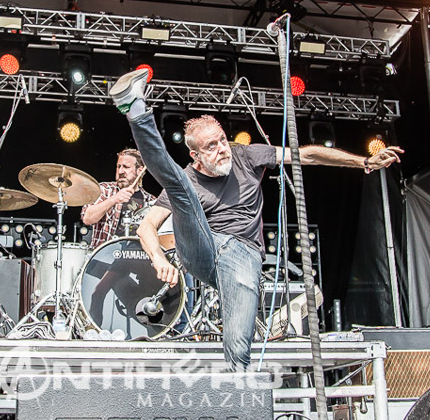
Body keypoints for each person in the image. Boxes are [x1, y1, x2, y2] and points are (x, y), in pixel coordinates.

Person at [109, 68, 402, 370]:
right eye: (211, 147)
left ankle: (239, 392)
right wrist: (159, 259)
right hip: (203, 250)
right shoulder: (189, 177)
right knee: (179, 187)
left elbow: (307, 155)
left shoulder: (246, 156)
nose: (222, 149)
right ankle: (136, 109)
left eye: (222, 140)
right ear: (195, 156)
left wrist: (364, 162)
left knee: (239, 348)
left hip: (243, 252)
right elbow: (147, 226)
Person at [81, 148, 156, 248]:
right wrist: (114, 199)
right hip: (106, 254)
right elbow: (87, 219)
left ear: (140, 170)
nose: (120, 171)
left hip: (138, 254)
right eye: (118, 166)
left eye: (126, 167)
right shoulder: (104, 190)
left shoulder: (150, 200)